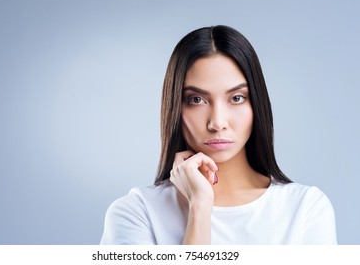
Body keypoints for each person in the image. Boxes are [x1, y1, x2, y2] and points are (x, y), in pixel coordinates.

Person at [100, 25, 337, 245]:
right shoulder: (137, 213)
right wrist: (200, 207)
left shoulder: (306, 209)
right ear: (175, 107)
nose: (217, 123)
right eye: (197, 100)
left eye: (236, 98)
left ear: (256, 104)